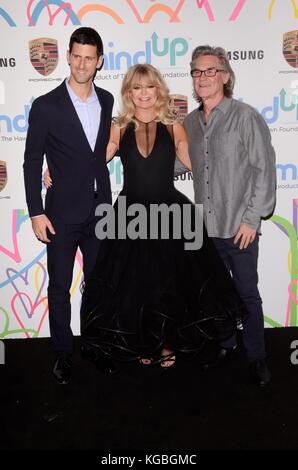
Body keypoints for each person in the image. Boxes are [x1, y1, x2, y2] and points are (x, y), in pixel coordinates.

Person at [44, 64, 243, 369]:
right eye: (137, 88)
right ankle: (142, 342)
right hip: (131, 215)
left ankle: (164, 345)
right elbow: (97, 156)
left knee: (166, 283)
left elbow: (191, 158)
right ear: (129, 93)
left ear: (157, 90)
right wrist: (59, 169)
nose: (144, 94)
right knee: (136, 285)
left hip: (169, 213)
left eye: (149, 87)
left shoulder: (174, 125)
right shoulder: (119, 126)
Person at [23, 27, 114, 385]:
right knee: (60, 287)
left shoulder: (106, 100)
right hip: (59, 213)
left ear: (99, 61)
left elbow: (99, 152)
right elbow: (32, 162)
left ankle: (95, 345)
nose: (81, 63)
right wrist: (35, 211)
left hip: (100, 210)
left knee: (98, 284)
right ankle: (63, 353)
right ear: (68, 56)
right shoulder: (46, 105)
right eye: (76, 55)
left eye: (88, 57)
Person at [183, 45, 276, 387]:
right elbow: (179, 164)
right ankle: (225, 344)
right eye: (197, 71)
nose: (203, 77)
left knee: (247, 295)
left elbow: (264, 170)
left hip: (240, 229)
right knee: (217, 296)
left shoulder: (245, 116)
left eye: (210, 71)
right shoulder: (190, 123)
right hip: (206, 230)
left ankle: (256, 357)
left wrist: (252, 219)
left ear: (224, 75)